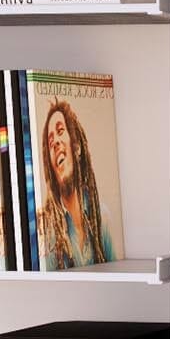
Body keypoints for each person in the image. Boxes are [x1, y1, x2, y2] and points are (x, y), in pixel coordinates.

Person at [36, 98, 114, 267]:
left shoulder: (102, 218)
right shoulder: (48, 235)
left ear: (76, 147)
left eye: (60, 131)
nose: (55, 143)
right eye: (50, 141)